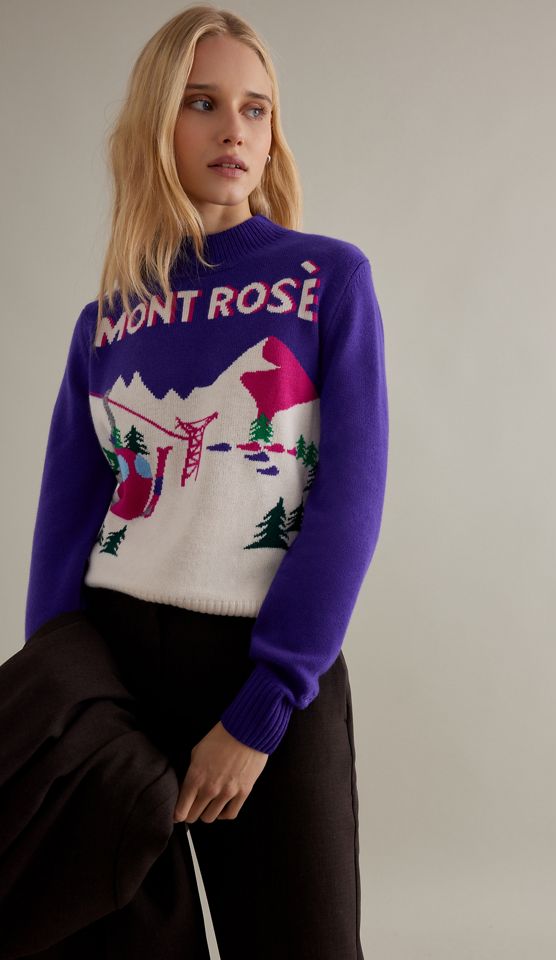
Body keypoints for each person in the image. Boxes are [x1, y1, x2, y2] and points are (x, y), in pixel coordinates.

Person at [23, 4, 389, 958]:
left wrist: (266, 704)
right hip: (116, 669)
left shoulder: (327, 279)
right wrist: (69, 712)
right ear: (159, 122)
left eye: (256, 108)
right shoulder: (106, 320)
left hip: (264, 666)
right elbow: (65, 523)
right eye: (203, 103)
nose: (235, 129)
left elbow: (349, 501)